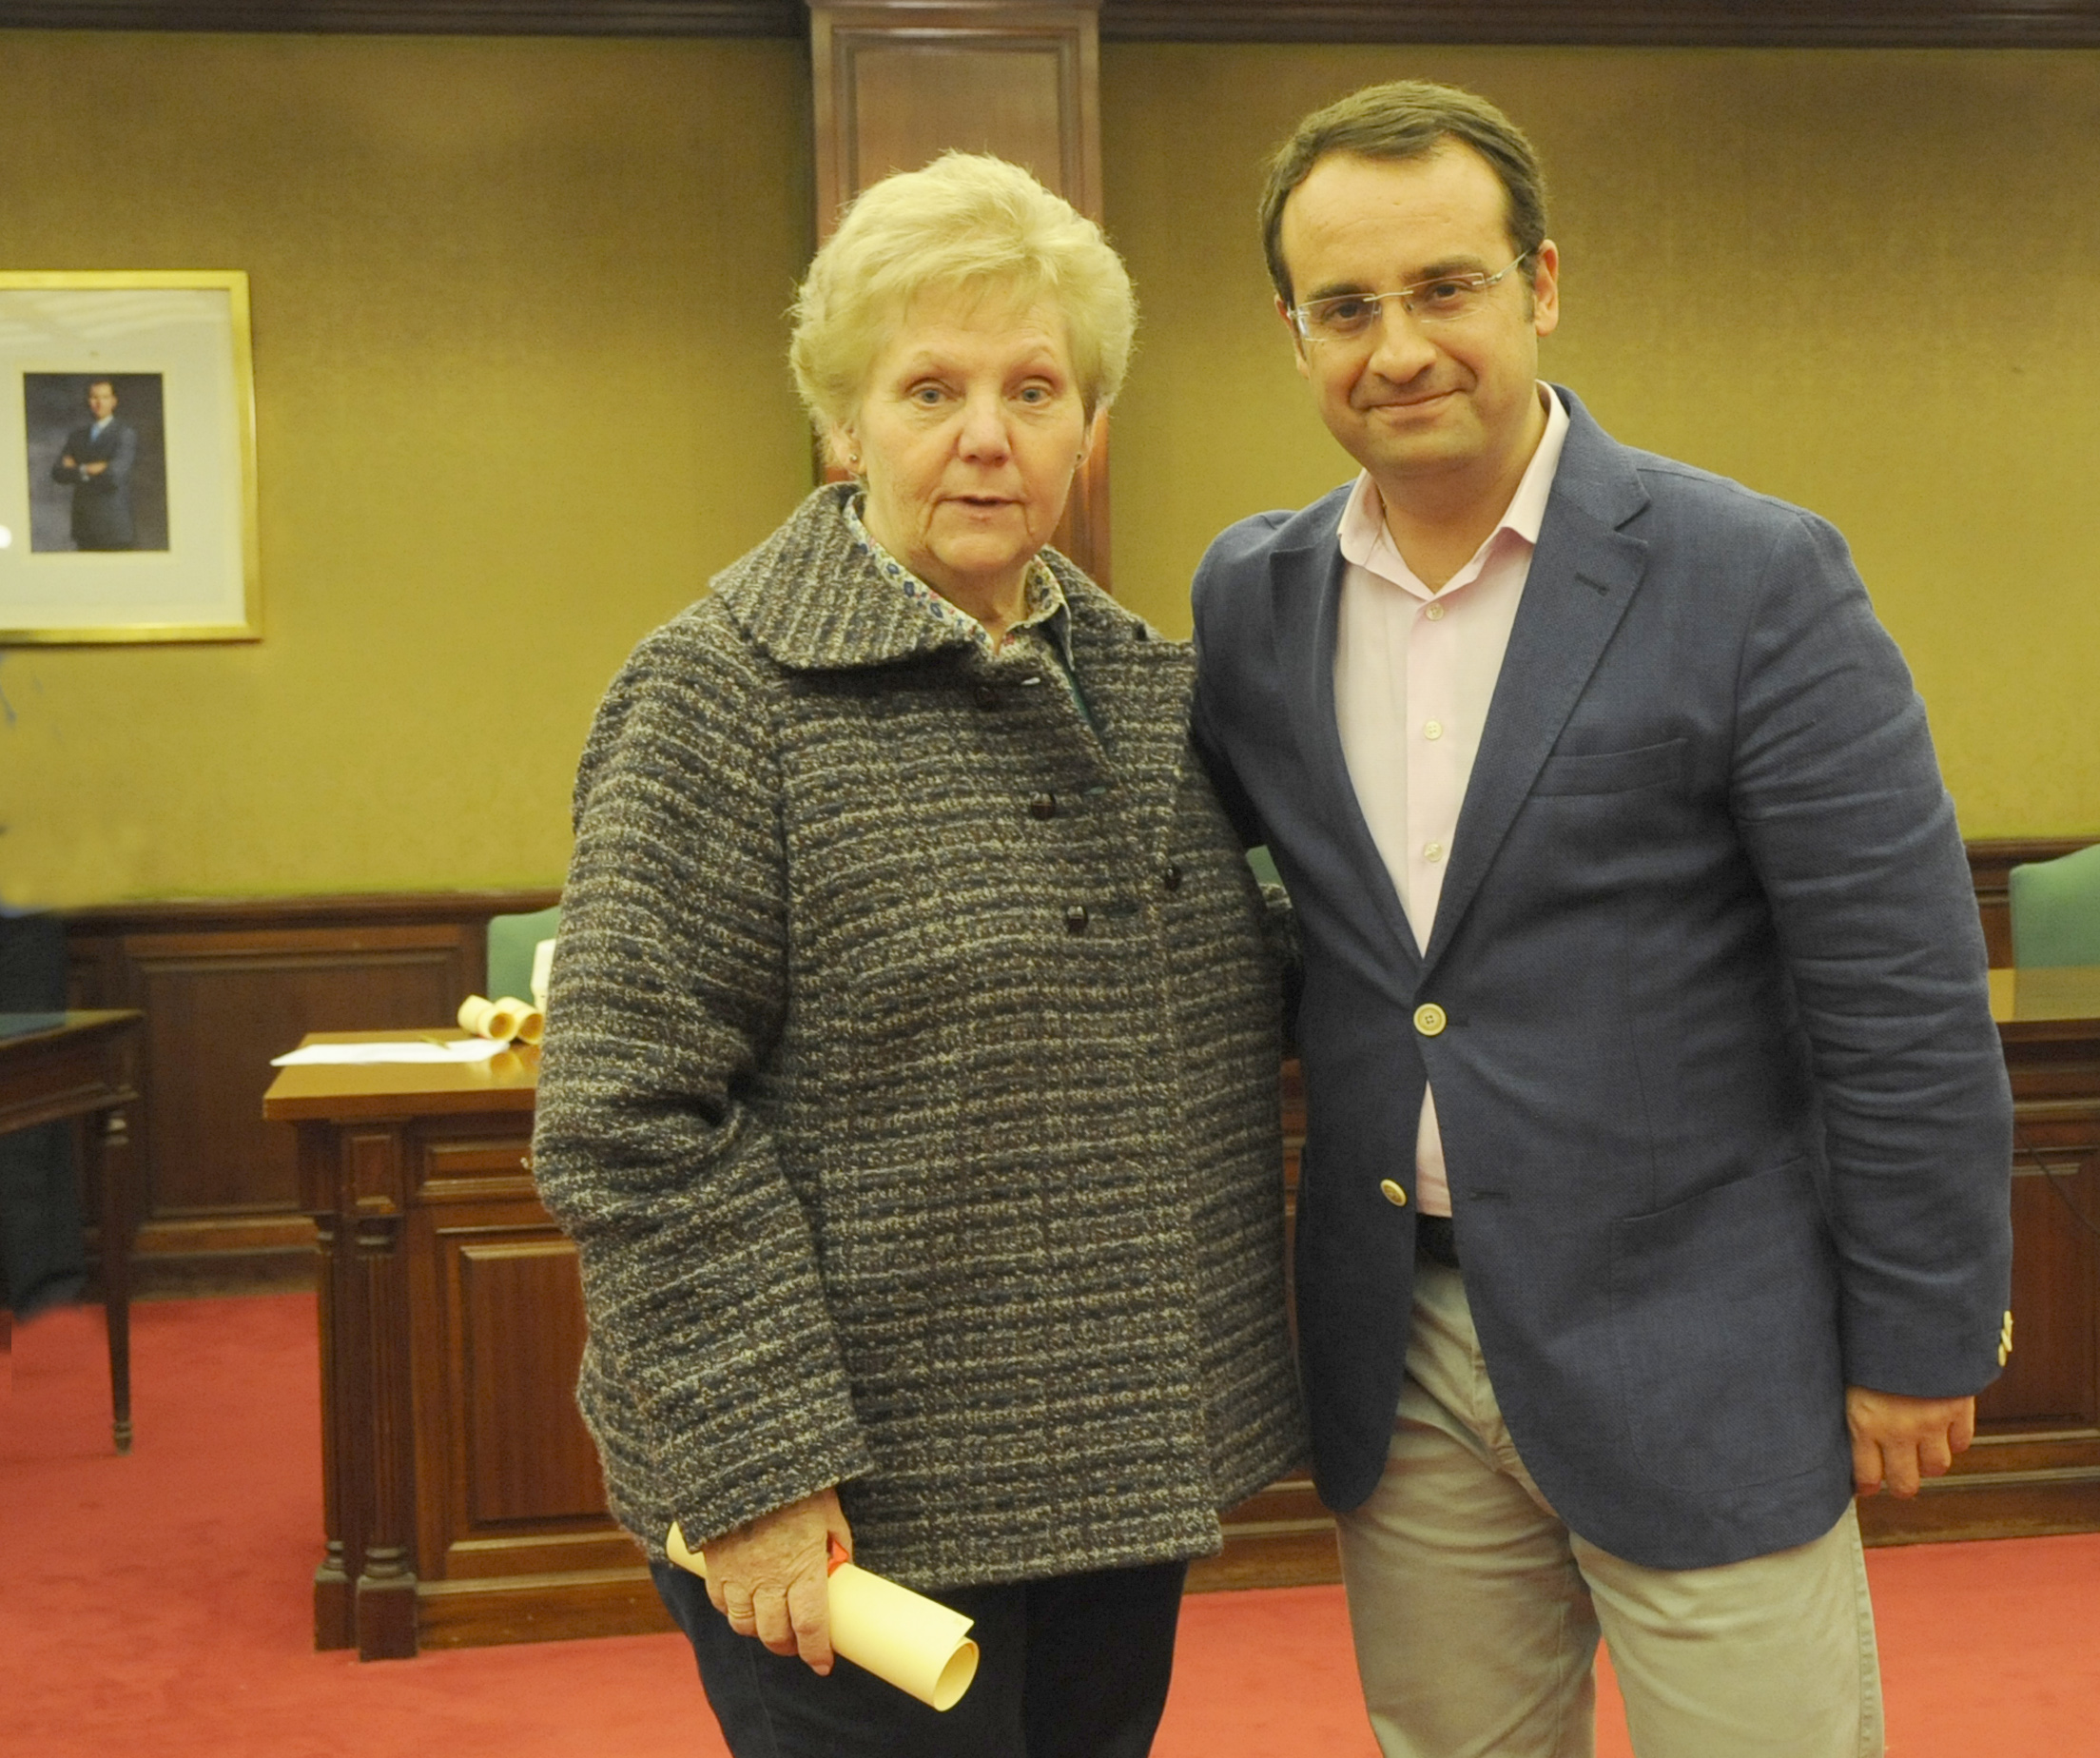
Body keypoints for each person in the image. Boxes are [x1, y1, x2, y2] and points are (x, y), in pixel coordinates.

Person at [1188, 83, 2014, 1758]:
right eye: (1344, 307)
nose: (1397, 347)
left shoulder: (1750, 575)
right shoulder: (1251, 599)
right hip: (1399, 1340)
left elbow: (1901, 991)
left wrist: (1921, 1331)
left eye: (1445, 287)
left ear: (1541, 285)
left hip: (1699, 1335)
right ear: (1294, 334)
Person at [531, 150, 1301, 1758]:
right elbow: (628, 1117)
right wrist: (758, 1467)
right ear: (845, 424)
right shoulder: (719, 697)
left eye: (1035, 389)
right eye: (930, 389)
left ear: (1087, 425)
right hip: (846, 1512)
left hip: (1107, 1476)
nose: (985, 435)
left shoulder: (1140, 685)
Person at [51, 379, 137, 551]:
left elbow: (113, 476)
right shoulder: (77, 436)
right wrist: (89, 468)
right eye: (94, 397)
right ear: (88, 401)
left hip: (113, 527)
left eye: (104, 397)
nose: (99, 403)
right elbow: (58, 473)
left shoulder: (125, 433)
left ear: (113, 401)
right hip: (84, 526)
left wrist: (76, 468)